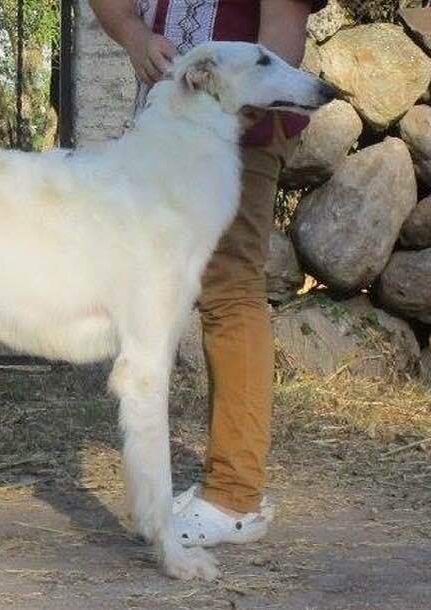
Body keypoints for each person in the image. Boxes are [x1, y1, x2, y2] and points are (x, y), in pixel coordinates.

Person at [89, 0, 326, 546]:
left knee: (230, 289)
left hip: (237, 130)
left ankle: (235, 497)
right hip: (173, 127)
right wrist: (133, 36)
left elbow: (284, 19)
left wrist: (246, 108)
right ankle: (224, 485)